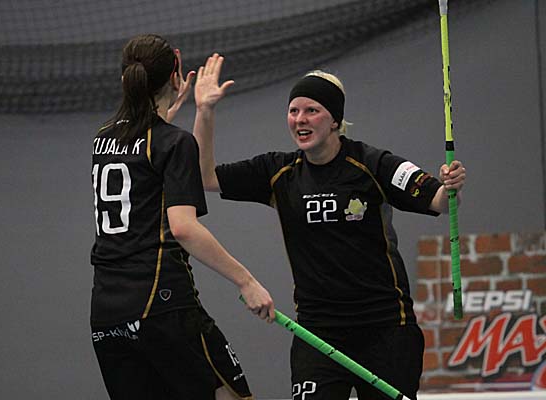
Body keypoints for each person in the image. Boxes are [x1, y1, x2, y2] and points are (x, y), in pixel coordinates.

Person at [193, 54, 466, 400]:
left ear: (335, 119)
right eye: (294, 111)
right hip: (318, 335)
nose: (300, 119)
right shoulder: (278, 172)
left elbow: (439, 200)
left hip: (386, 330)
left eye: (312, 110)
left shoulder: (372, 163)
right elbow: (204, 176)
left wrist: (451, 186)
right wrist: (204, 111)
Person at [90, 34, 275, 400]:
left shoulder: (102, 140)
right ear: (175, 77)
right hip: (161, 303)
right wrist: (246, 281)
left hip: (107, 312)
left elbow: (141, 154)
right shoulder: (173, 143)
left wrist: (177, 115)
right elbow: (183, 228)